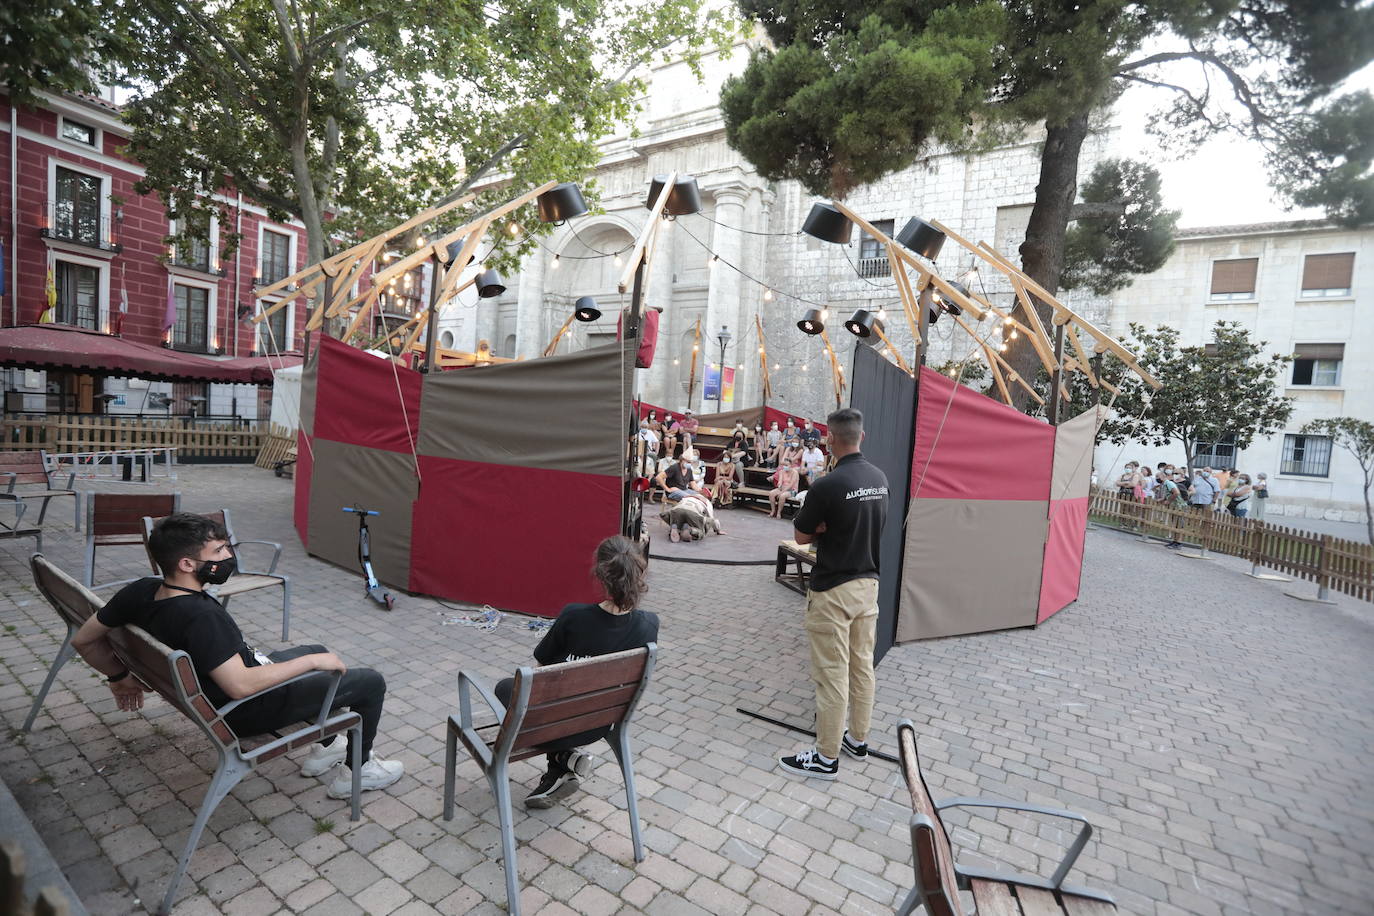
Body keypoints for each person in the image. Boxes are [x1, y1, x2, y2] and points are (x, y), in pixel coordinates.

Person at [71, 514, 403, 798]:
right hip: (245, 710)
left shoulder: (141, 589)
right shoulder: (200, 617)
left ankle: (327, 748)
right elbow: (240, 686)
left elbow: (84, 640)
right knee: (369, 682)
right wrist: (311, 664)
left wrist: (118, 677)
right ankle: (358, 772)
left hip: (214, 691)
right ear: (186, 564)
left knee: (316, 649)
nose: (228, 556)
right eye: (219, 551)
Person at [496, 536, 659, 808]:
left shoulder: (574, 616)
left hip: (558, 723)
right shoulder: (650, 625)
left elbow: (540, 674)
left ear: (599, 574)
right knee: (554, 698)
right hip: (600, 723)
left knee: (506, 688)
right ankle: (561, 766)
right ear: (639, 572)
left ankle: (564, 758)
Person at [779, 408, 889, 780]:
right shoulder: (879, 479)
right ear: (863, 436)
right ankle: (857, 739)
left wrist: (823, 528)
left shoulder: (827, 485)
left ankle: (826, 756)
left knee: (831, 674)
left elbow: (801, 535)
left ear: (829, 439)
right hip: (868, 586)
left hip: (834, 590)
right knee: (862, 667)